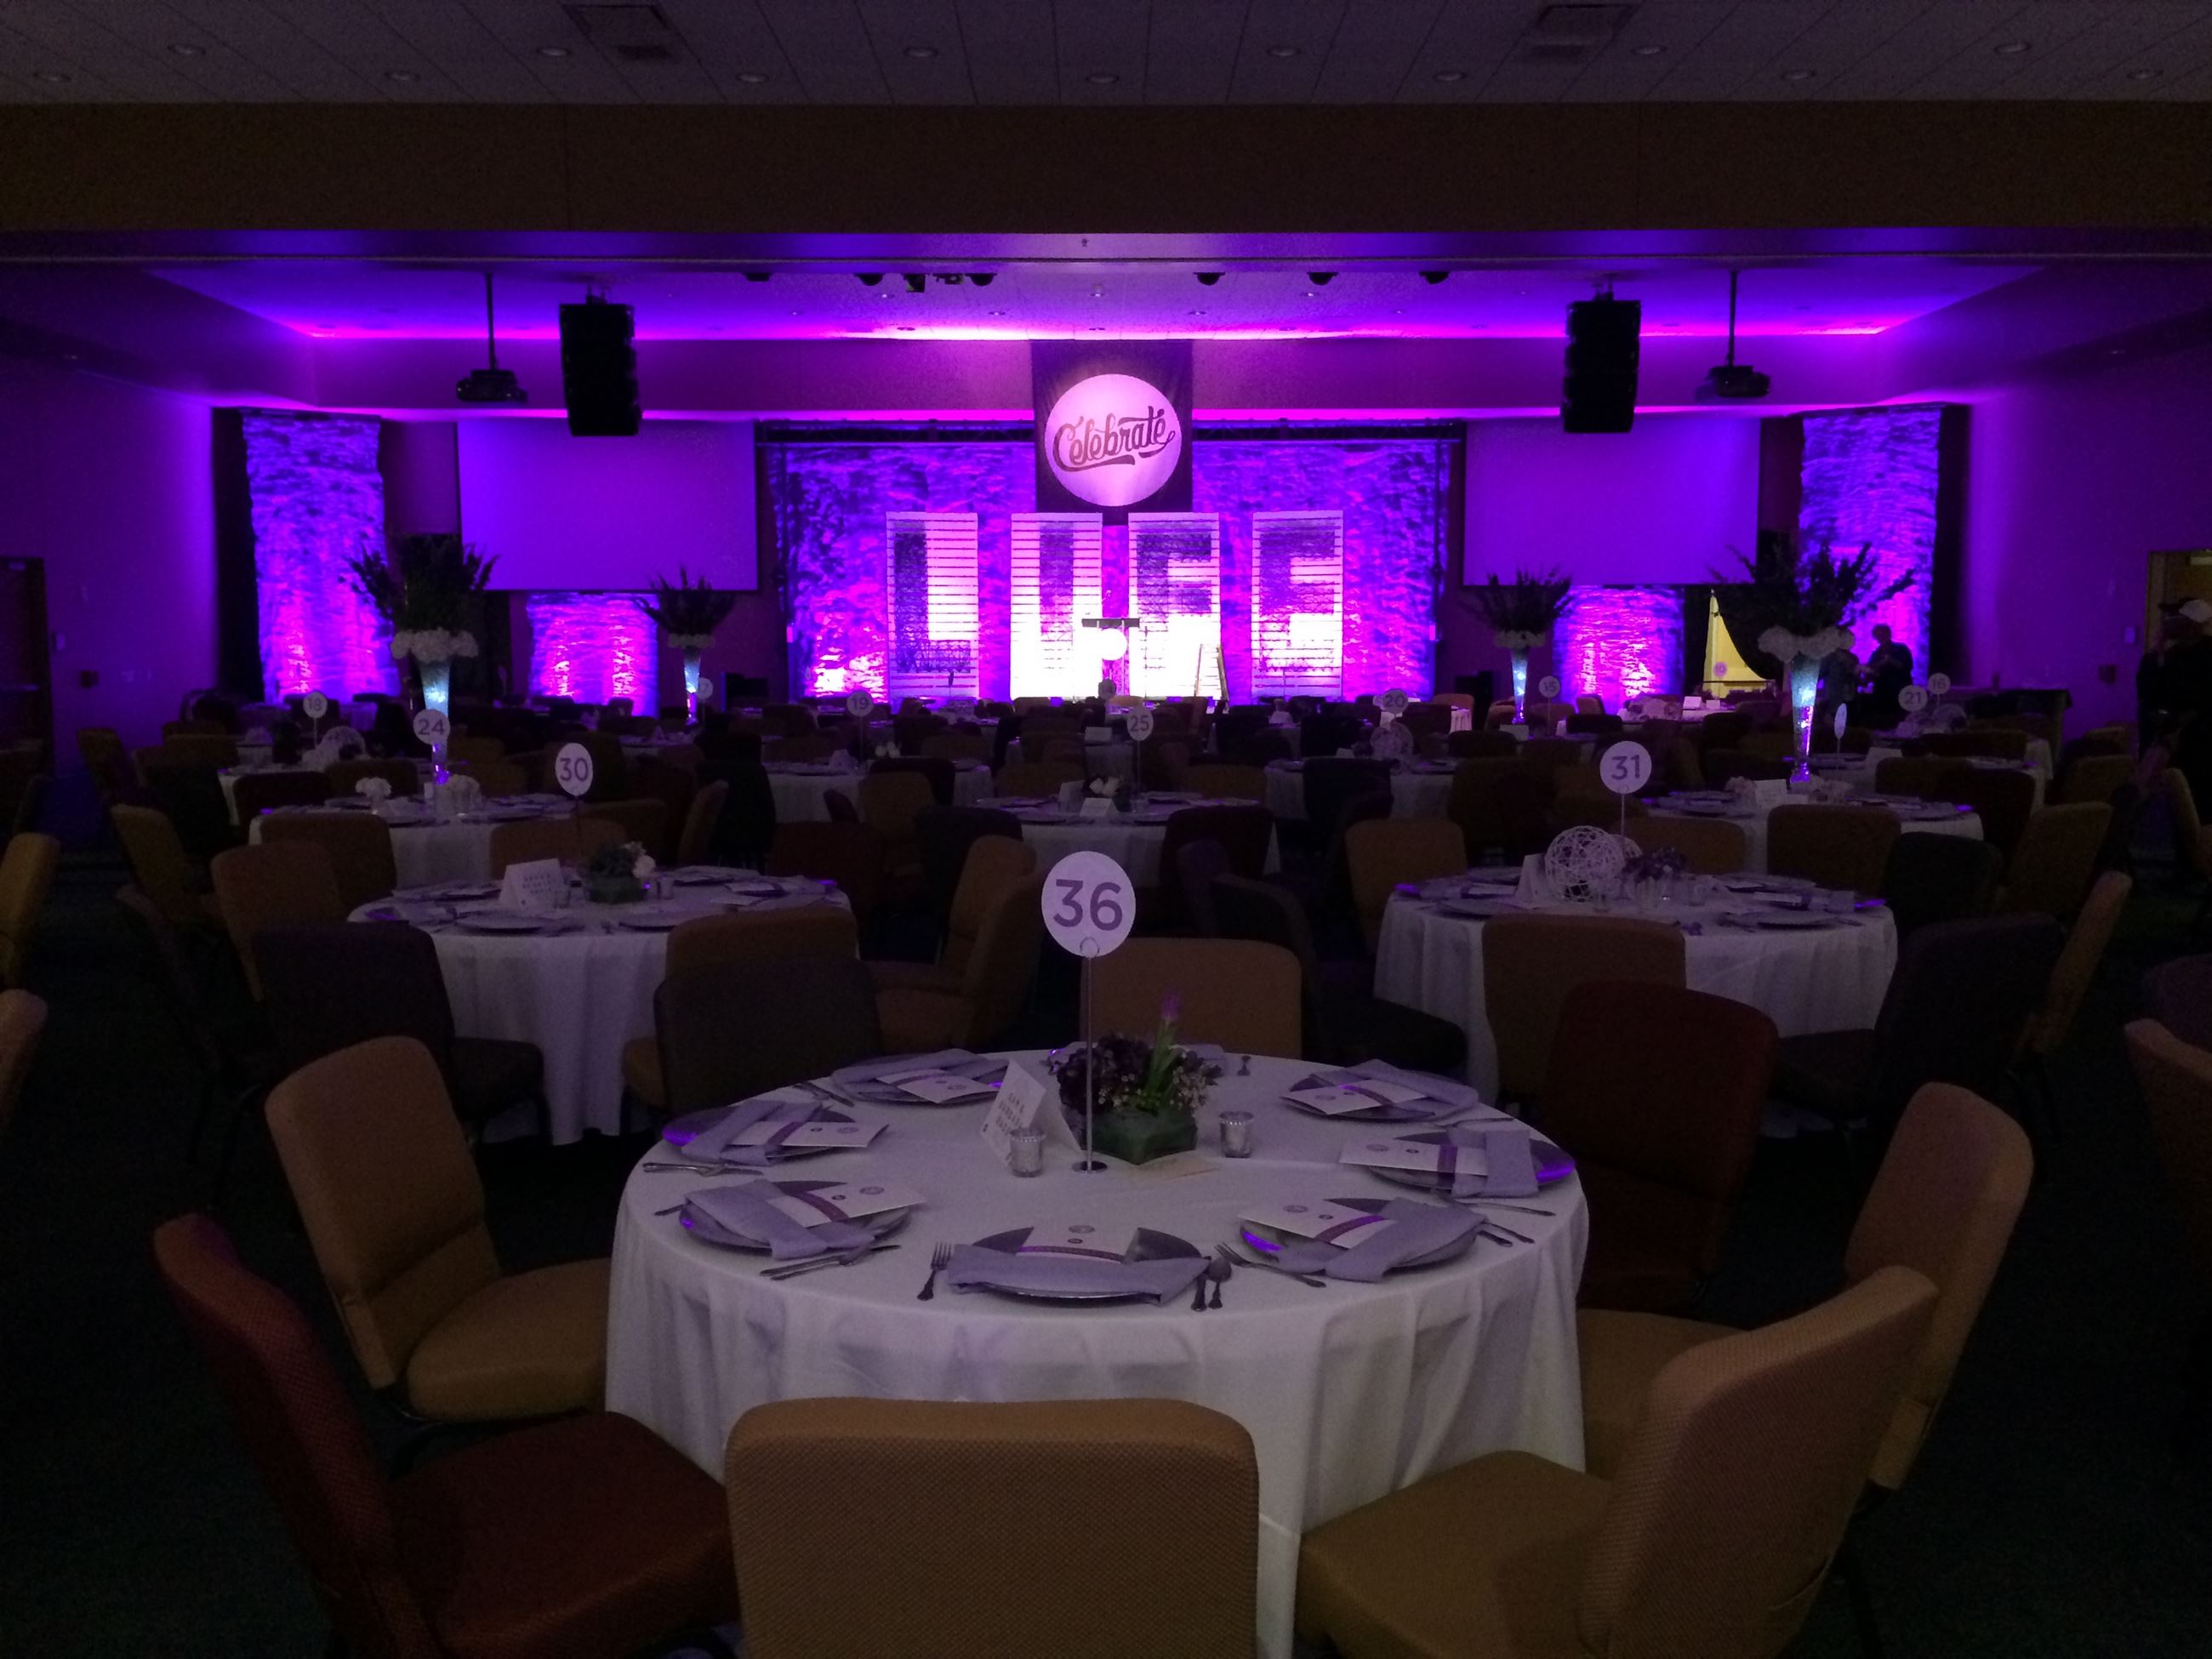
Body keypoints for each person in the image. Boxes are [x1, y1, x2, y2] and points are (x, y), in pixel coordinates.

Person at [1864, 624, 1914, 727]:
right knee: (1884, 722)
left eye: (1883, 635)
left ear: (1889, 634)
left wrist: (1890, 661)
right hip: (1882, 693)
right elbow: (1870, 672)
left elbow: (1908, 666)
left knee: (1901, 721)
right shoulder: (1876, 654)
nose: (1881, 638)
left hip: (1900, 691)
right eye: (1878, 636)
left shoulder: (1901, 649)